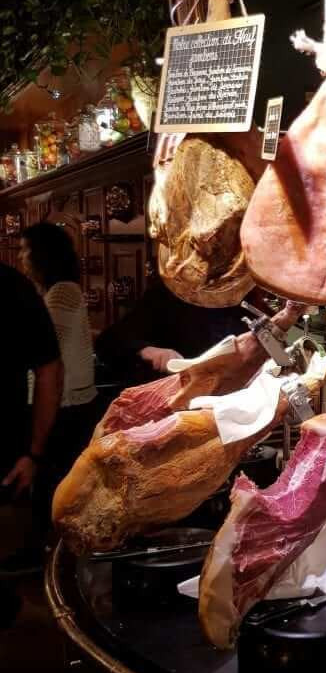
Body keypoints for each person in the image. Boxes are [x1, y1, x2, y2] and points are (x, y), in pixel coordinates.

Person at [1, 223, 99, 574]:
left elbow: (46, 350)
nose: (21, 257)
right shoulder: (56, 291)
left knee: (53, 484)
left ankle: (51, 557)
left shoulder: (61, 292)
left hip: (66, 404)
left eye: (25, 250)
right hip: (67, 401)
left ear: (43, 254)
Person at [0, 257, 63, 581]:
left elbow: (49, 370)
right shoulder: (14, 285)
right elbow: (50, 371)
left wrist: (34, 453)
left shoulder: (12, 287)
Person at [95, 277, 269, 382]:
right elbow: (108, 342)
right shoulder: (171, 296)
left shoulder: (252, 298)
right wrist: (148, 351)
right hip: (183, 404)